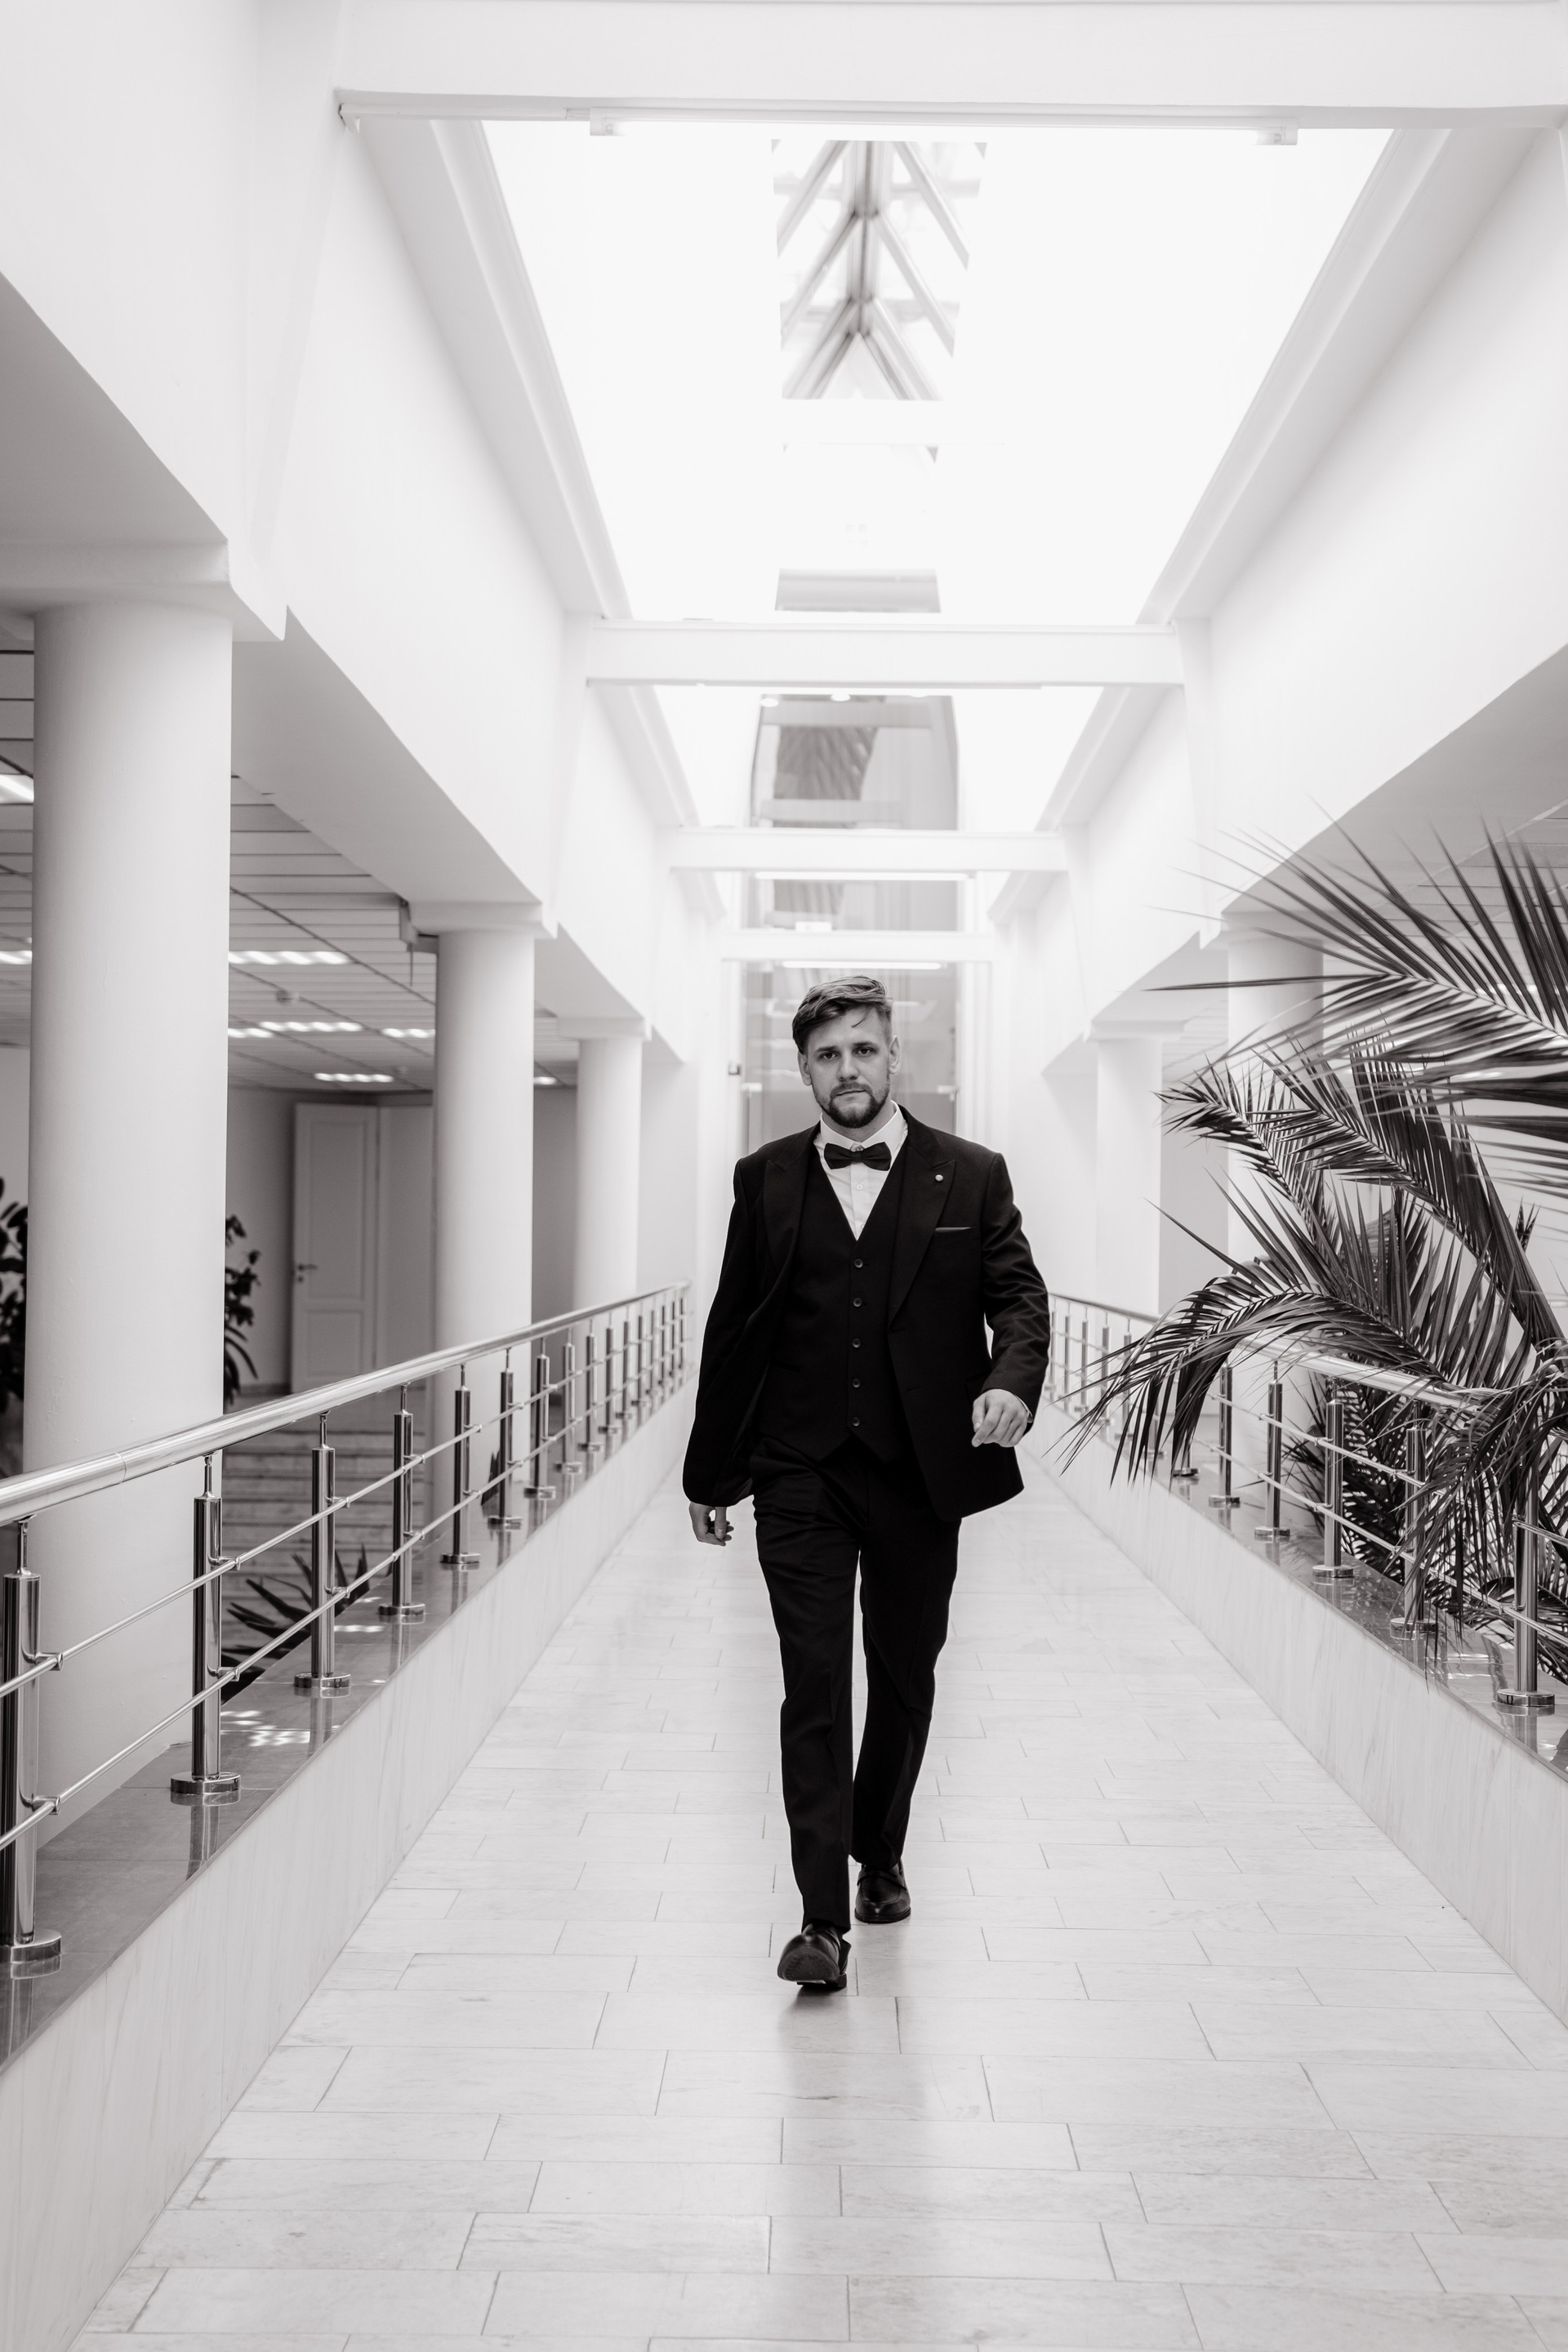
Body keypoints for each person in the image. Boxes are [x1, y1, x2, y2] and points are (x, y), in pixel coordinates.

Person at [684, 973, 1051, 1993]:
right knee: (813, 1681)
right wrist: (709, 1472)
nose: (847, 1070)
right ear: (803, 1070)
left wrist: (1010, 1382)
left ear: (895, 1058)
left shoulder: (970, 1174)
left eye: (862, 1050)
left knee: (903, 1674)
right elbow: (734, 1328)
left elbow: (1019, 1300)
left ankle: (879, 1849)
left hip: (917, 1471)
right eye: (827, 1055)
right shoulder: (763, 1179)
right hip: (797, 1470)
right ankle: (820, 1921)